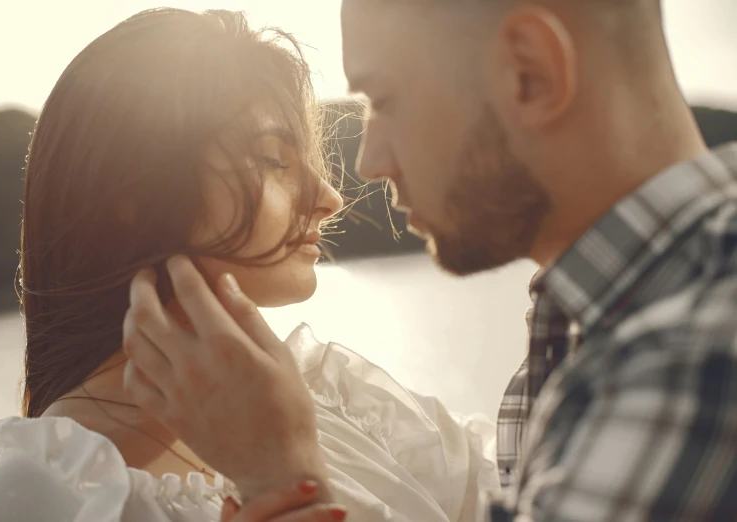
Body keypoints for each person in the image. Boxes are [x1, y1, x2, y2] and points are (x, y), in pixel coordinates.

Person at [118, 0, 737, 521]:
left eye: (384, 100)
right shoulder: (602, 326)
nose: (369, 163)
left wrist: (285, 486)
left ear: (531, 73)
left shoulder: (688, 360)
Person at [0, 7, 500, 522]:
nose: (329, 196)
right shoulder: (29, 503)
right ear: (134, 194)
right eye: (272, 160)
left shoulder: (330, 401)